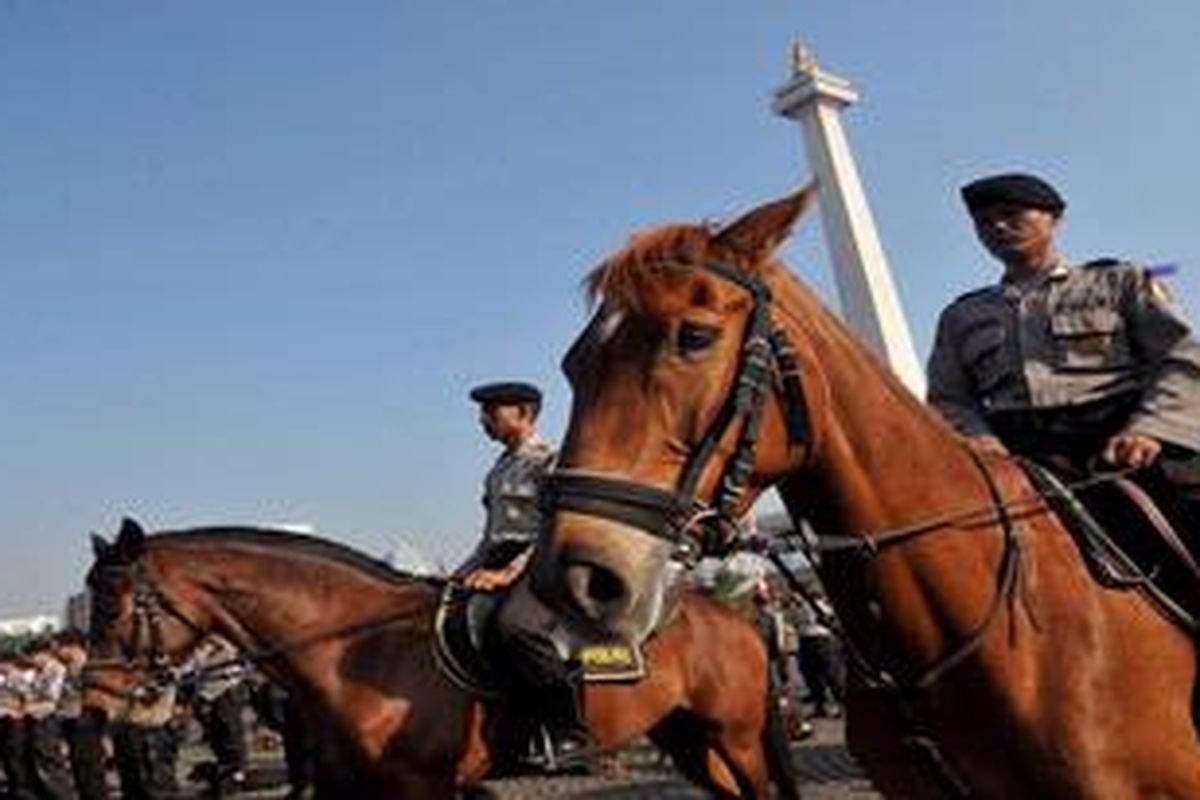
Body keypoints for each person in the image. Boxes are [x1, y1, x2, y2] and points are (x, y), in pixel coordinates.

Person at [927, 172, 1200, 540]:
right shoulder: (962, 316)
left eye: (1012, 214)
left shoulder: (1120, 282)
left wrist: (1149, 430)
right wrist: (980, 441)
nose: (998, 227)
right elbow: (949, 397)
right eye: (984, 222)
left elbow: (1180, 358)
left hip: (1121, 444)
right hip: (1018, 456)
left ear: (1054, 219)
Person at [454, 381, 588, 770]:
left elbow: (551, 528)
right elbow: (490, 534)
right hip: (497, 559)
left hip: (539, 562)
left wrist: (506, 574)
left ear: (524, 414)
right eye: (484, 413)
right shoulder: (498, 469)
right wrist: (463, 573)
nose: (483, 421)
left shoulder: (548, 461)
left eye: (492, 412)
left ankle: (570, 733)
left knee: (514, 626)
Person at [51, 633, 108, 800]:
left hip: (86, 721)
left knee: (90, 768)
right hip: (72, 720)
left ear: (71, 646)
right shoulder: (70, 666)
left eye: (57, 647)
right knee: (79, 768)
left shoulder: (89, 666)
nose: (55, 652)